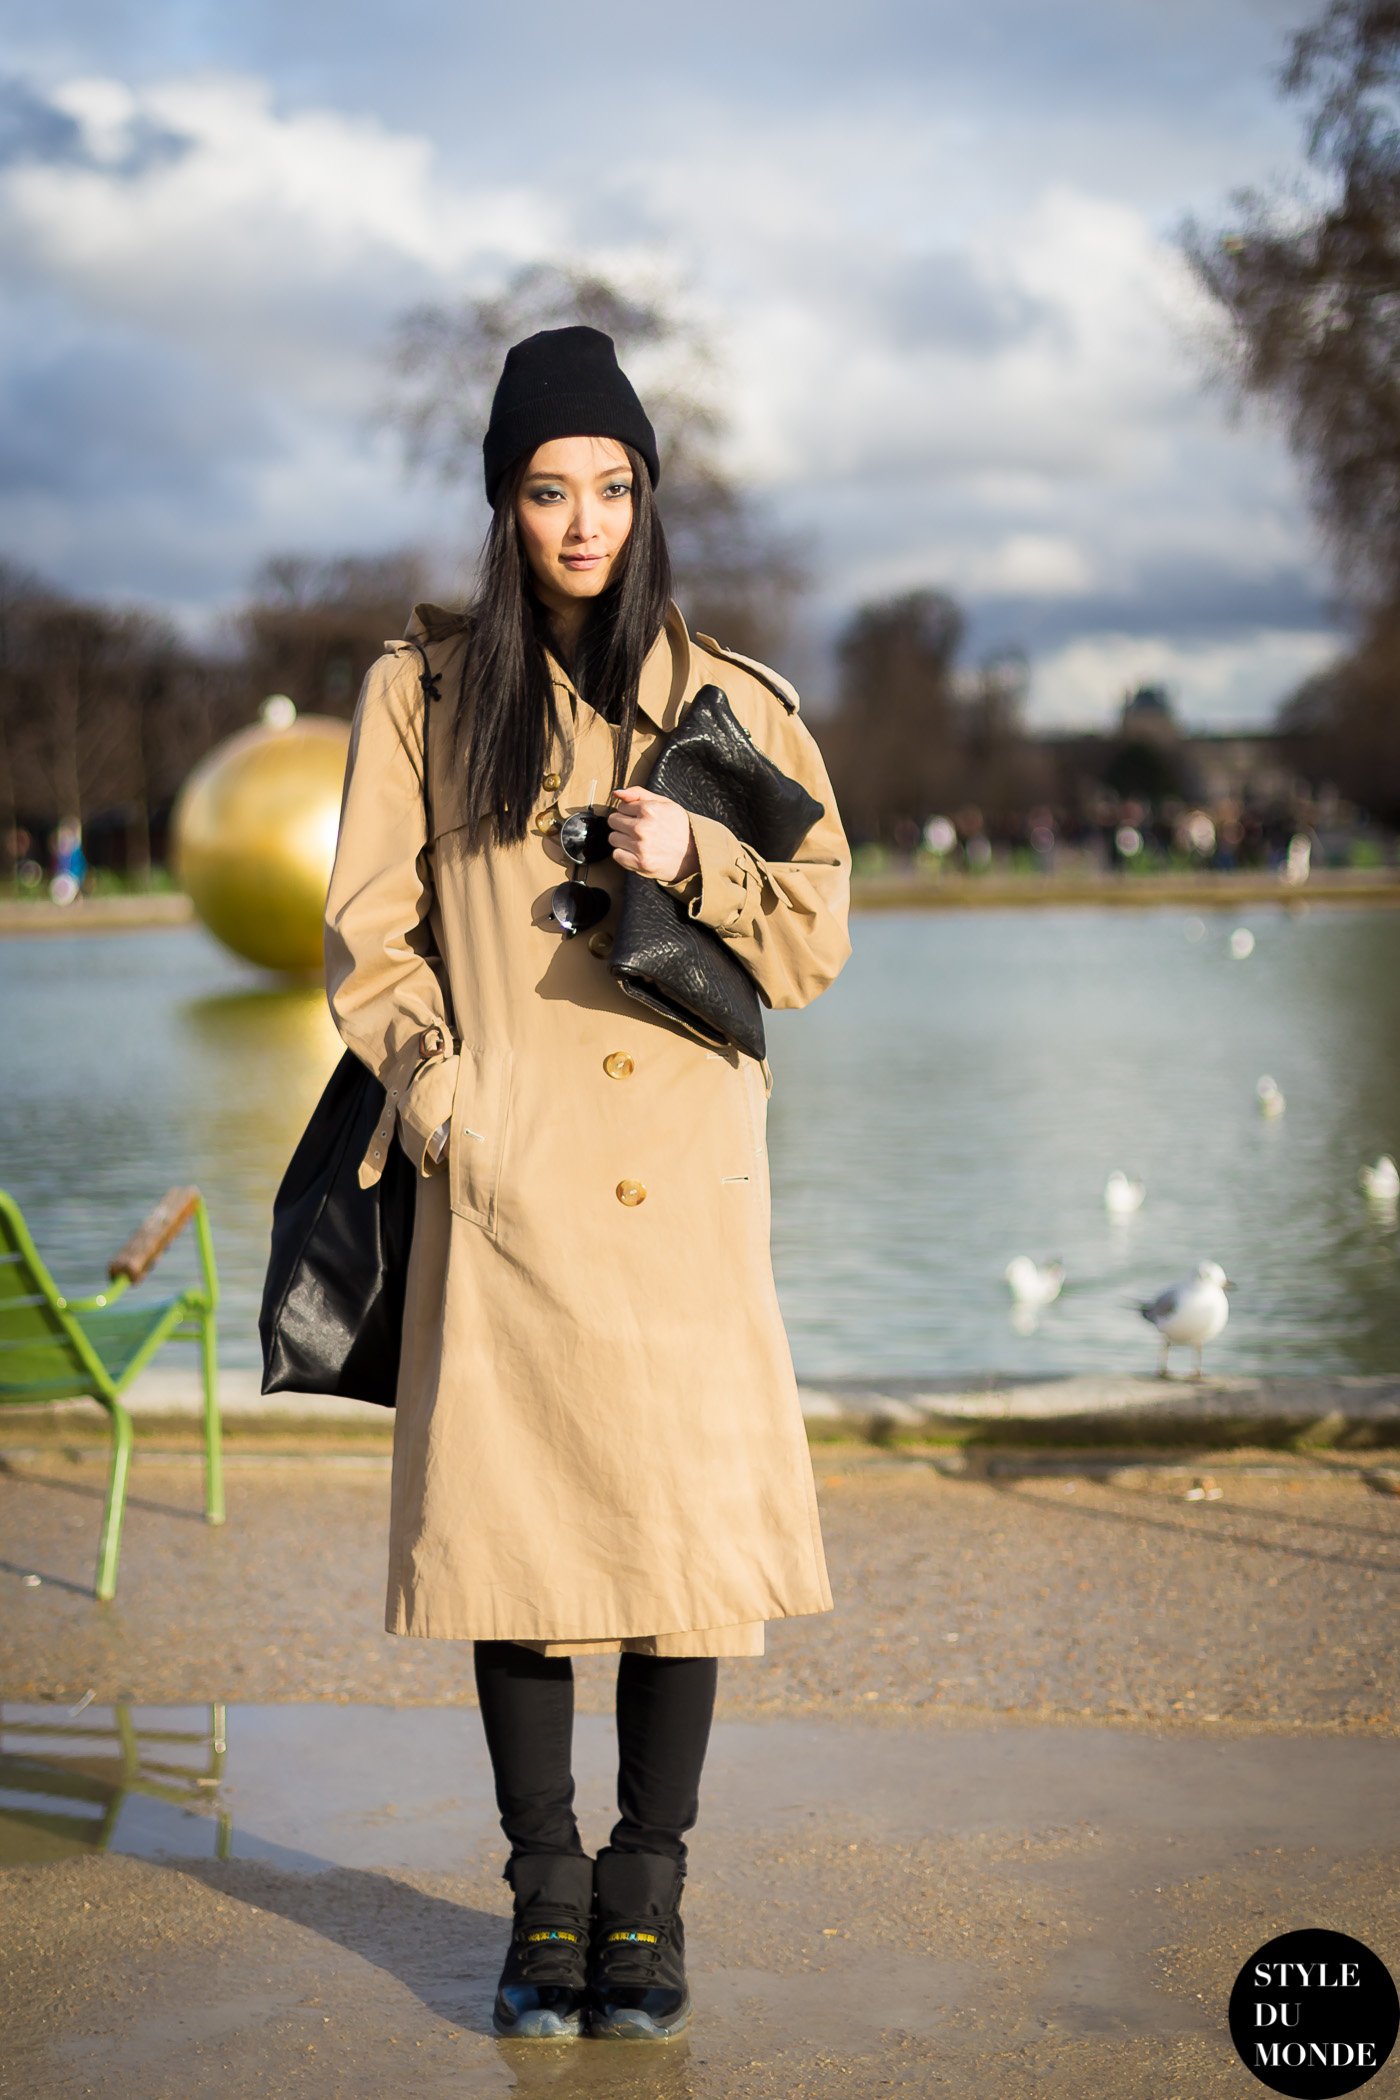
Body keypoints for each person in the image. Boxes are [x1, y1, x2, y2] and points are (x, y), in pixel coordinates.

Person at [322, 324, 853, 2043]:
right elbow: (370, 939)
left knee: (678, 1553)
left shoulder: (737, 703)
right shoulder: (420, 694)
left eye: (612, 488)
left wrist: (701, 850)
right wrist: (449, 1101)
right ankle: (545, 1902)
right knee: (526, 1550)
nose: (582, 522)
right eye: (549, 490)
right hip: (514, 1183)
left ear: (645, 498)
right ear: (504, 503)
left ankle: (649, 1900)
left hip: (687, 1189)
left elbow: (824, 929)